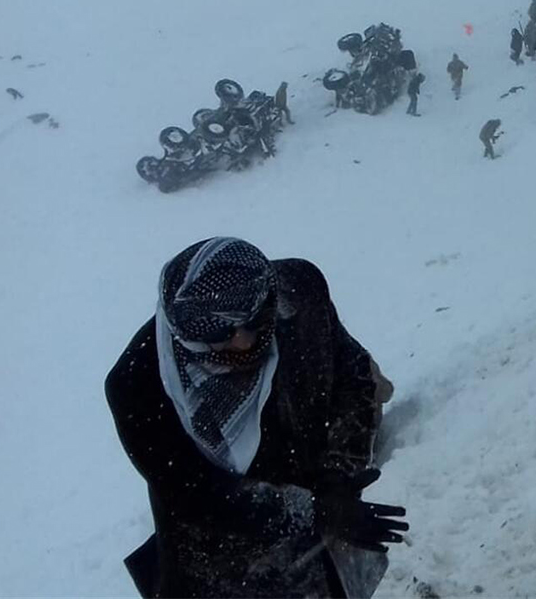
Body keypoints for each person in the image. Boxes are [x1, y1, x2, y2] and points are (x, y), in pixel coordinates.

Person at [106, 238, 406, 599]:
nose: (244, 341)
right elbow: (194, 493)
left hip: (320, 520)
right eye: (221, 333)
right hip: (222, 553)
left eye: (253, 321)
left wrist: (337, 478)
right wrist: (309, 512)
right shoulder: (136, 383)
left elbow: (352, 378)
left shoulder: (298, 291)